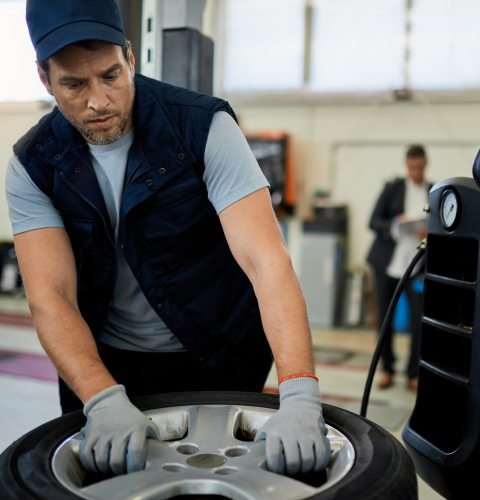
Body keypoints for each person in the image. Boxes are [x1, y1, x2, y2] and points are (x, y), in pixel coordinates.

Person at [5, 0, 330, 478]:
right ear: (44, 78)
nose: (98, 101)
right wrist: (100, 397)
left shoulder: (204, 128)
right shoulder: (31, 164)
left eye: (111, 75)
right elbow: (50, 298)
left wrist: (299, 391)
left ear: (131, 59)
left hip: (216, 354)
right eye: (74, 84)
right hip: (105, 363)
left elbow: (267, 261)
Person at [366, 145, 432, 391]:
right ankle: (388, 369)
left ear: (426, 164)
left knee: (419, 320)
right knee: (385, 318)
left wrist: (430, 230)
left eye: (420, 166)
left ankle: (413, 372)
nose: (416, 170)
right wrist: (396, 224)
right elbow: (373, 221)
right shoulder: (392, 188)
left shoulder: (434, 191)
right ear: (407, 165)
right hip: (386, 263)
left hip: (417, 266)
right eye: (412, 166)